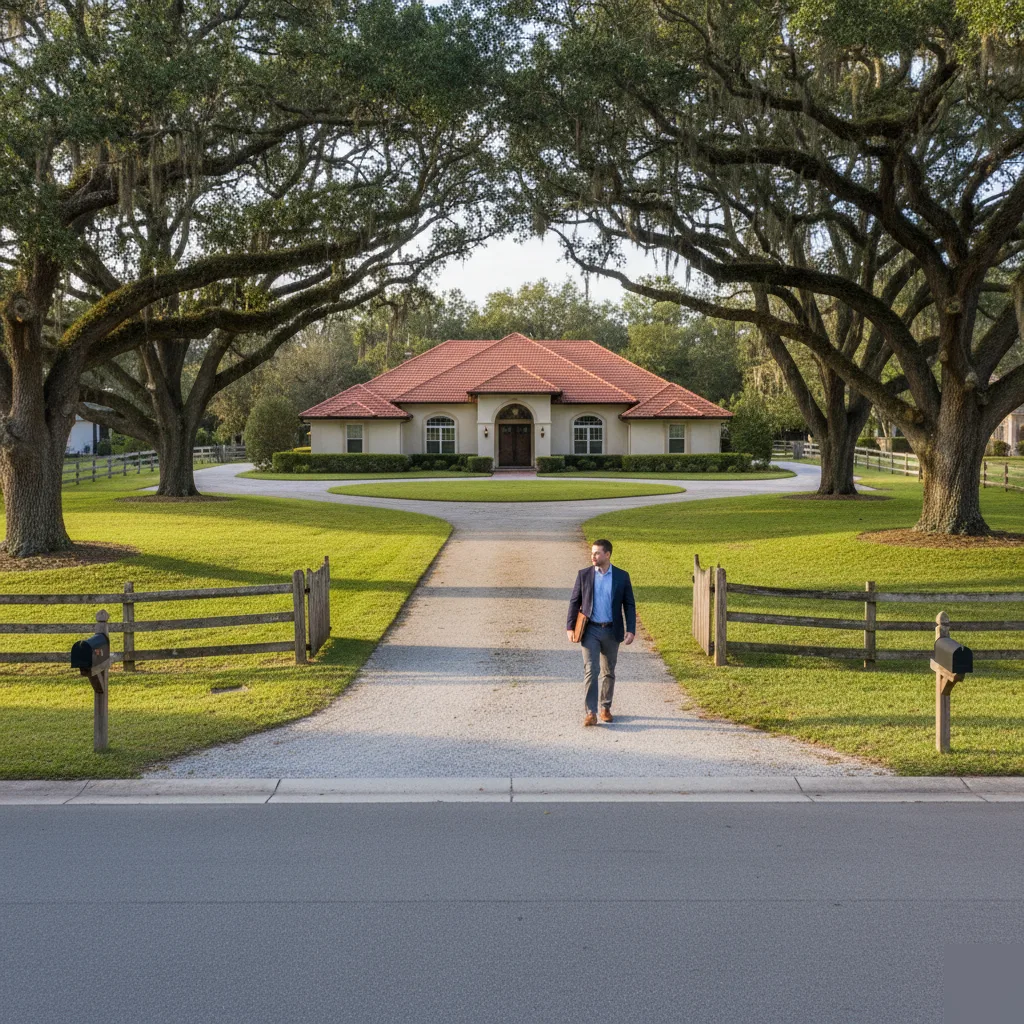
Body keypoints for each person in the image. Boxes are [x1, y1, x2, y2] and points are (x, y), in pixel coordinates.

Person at [566, 539, 636, 726]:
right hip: (591, 630)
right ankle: (591, 712)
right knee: (591, 669)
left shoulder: (622, 576)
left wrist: (631, 629)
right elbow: (575, 601)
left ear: (607, 555)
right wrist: (570, 627)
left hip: (612, 630)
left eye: (597, 553)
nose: (593, 556)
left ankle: (605, 707)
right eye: (592, 553)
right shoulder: (584, 575)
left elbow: (629, 604)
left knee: (608, 671)